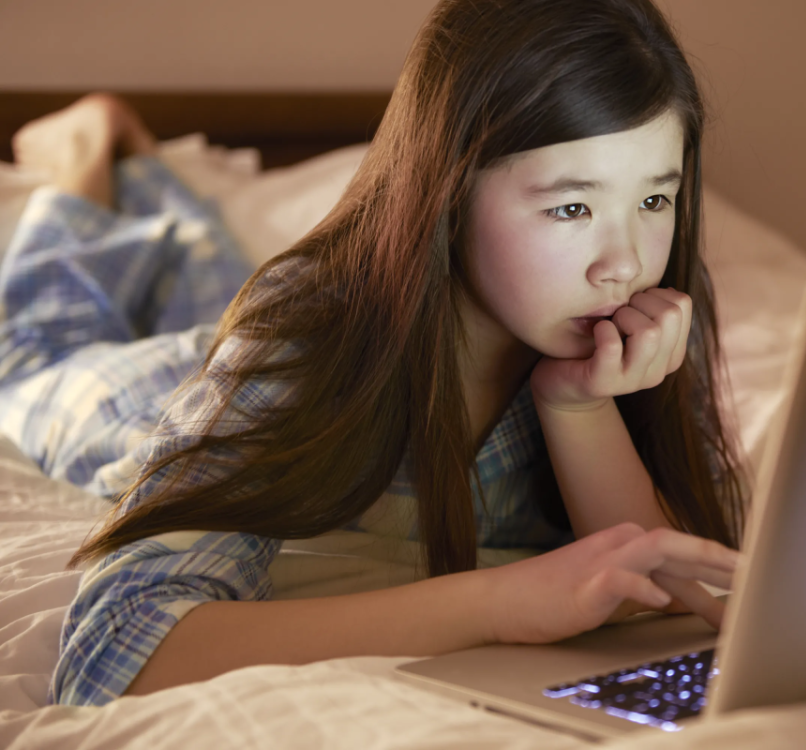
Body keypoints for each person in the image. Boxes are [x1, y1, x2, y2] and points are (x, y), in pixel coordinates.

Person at [1, 0, 748, 709]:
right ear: (449, 189)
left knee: (213, 284)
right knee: (37, 353)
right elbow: (115, 652)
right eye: (572, 207)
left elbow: (679, 585)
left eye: (655, 200)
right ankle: (86, 150)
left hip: (270, 340)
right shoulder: (305, 335)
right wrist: (501, 602)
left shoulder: (647, 316)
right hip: (172, 392)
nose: (622, 264)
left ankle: (154, 181)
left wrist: (577, 405)